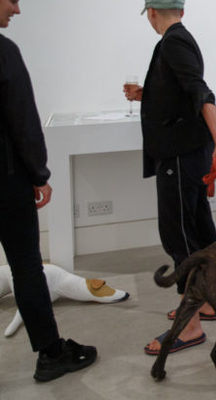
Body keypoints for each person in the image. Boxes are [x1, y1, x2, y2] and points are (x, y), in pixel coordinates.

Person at [123, 0, 216, 355]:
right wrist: (148, 95)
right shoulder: (179, 39)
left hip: (179, 155)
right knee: (199, 230)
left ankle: (189, 328)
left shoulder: (173, 41)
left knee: (179, 235)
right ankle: (208, 302)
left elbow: (201, 91)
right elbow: (184, 91)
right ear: (181, 11)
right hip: (186, 153)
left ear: (152, 13)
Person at [0, 0, 97, 381]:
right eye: (12, 0)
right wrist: (39, 174)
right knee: (26, 265)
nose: (17, 10)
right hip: (6, 180)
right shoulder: (5, 52)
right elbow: (22, 119)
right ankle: (51, 353)